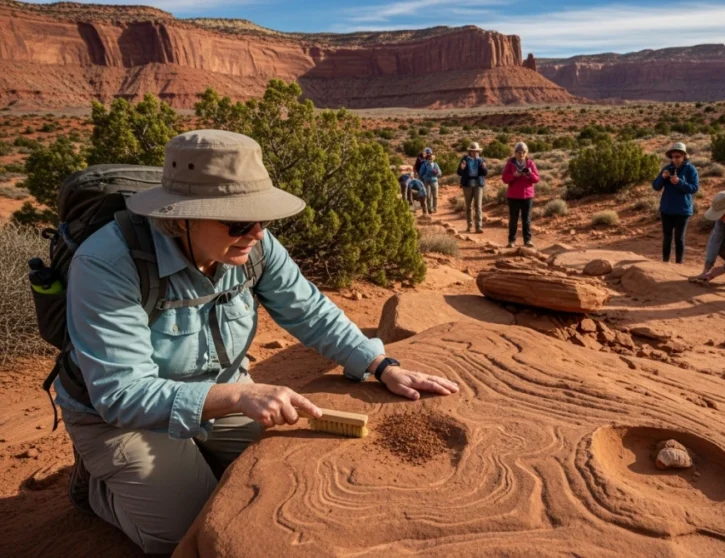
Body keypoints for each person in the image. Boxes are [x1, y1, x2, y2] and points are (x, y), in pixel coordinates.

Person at [59, 130, 459, 554]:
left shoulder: (255, 246)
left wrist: (382, 365)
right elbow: (121, 393)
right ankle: (98, 489)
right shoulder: (107, 263)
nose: (255, 232)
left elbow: (310, 311)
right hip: (123, 419)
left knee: (278, 485)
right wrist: (235, 397)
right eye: (238, 221)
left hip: (225, 396)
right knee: (190, 533)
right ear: (181, 217)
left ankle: (195, 458)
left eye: (262, 218)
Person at [652, 142, 699, 264]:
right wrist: (663, 177)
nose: (675, 159)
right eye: (673, 156)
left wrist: (679, 182)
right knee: (667, 237)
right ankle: (665, 262)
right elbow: (656, 186)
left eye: (678, 156)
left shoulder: (690, 169)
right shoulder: (667, 168)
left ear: (684, 156)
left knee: (679, 238)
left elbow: (694, 188)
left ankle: (679, 264)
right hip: (667, 209)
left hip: (683, 210)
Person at [501, 142, 540, 248]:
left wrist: (530, 173)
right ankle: (511, 241)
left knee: (526, 219)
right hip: (513, 195)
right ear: (515, 153)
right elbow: (504, 178)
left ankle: (527, 240)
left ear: (527, 152)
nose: (521, 154)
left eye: (524, 152)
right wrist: (514, 175)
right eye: (519, 152)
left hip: (527, 195)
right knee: (513, 219)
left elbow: (537, 179)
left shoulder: (530, 163)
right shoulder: (510, 163)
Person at [456, 142, 487, 233]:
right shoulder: (465, 159)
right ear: (470, 151)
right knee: (468, 206)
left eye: (477, 151)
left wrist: (484, 168)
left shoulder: (481, 160)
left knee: (478, 206)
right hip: (467, 184)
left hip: (478, 184)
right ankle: (469, 225)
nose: (475, 152)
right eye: (473, 151)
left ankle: (478, 226)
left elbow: (485, 173)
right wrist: (462, 168)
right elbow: (459, 172)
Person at [418, 147, 442, 215]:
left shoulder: (435, 165)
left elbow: (440, 173)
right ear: (427, 159)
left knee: (435, 196)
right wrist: (424, 178)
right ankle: (429, 208)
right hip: (427, 182)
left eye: (431, 159)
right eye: (429, 159)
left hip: (434, 181)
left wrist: (436, 172)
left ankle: (434, 208)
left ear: (433, 159)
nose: (430, 160)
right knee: (428, 196)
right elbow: (420, 173)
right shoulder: (424, 165)